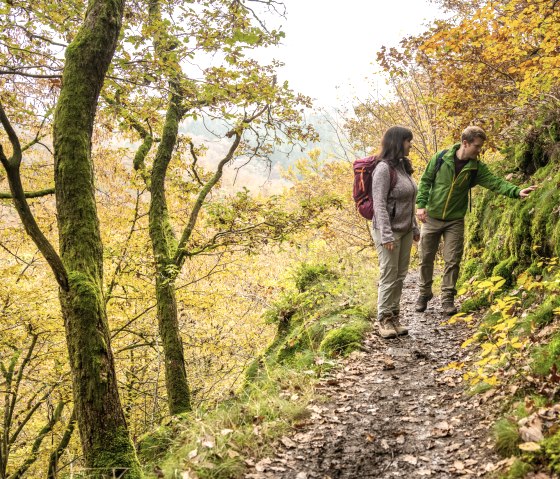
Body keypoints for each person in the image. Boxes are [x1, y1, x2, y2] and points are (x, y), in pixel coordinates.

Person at [415, 126, 537, 315]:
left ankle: (447, 299)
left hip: (455, 220)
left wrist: (516, 191)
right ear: (465, 143)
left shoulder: (475, 168)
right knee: (426, 258)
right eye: (477, 146)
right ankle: (424, 293)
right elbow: (425, 181)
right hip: (431, 217)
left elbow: (495, 182)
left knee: (452, 260)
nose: (479, 150)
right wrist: (421, 205)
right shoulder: (440, 158)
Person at [371, 126, 420, 339]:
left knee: (400, 275)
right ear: (398, 142)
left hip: (406, 230)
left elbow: (410, 200)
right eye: (408, 141)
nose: (411, 145)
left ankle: (394, 316)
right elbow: (379, 204)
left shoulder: (403, 166)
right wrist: (387, 234)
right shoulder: (383, 169)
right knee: (389, 275)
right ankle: (383, 319)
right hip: (387, 231)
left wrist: (415, 226)